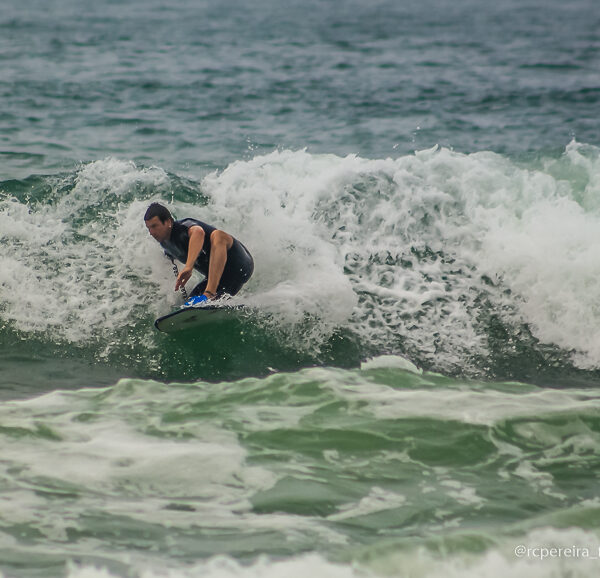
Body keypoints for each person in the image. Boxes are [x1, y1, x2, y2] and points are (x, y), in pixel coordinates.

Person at [144, 202, 253, 306]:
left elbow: (198, 232)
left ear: (168, 222)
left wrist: (188, 267)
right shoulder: (166, 245)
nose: (151, 232)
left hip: (240, 264)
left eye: (154, 226)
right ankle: (211, 299)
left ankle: (209, 294)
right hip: (224, 279)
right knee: (189, 305)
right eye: (148, 228)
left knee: (218, 235)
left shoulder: (183, 227)